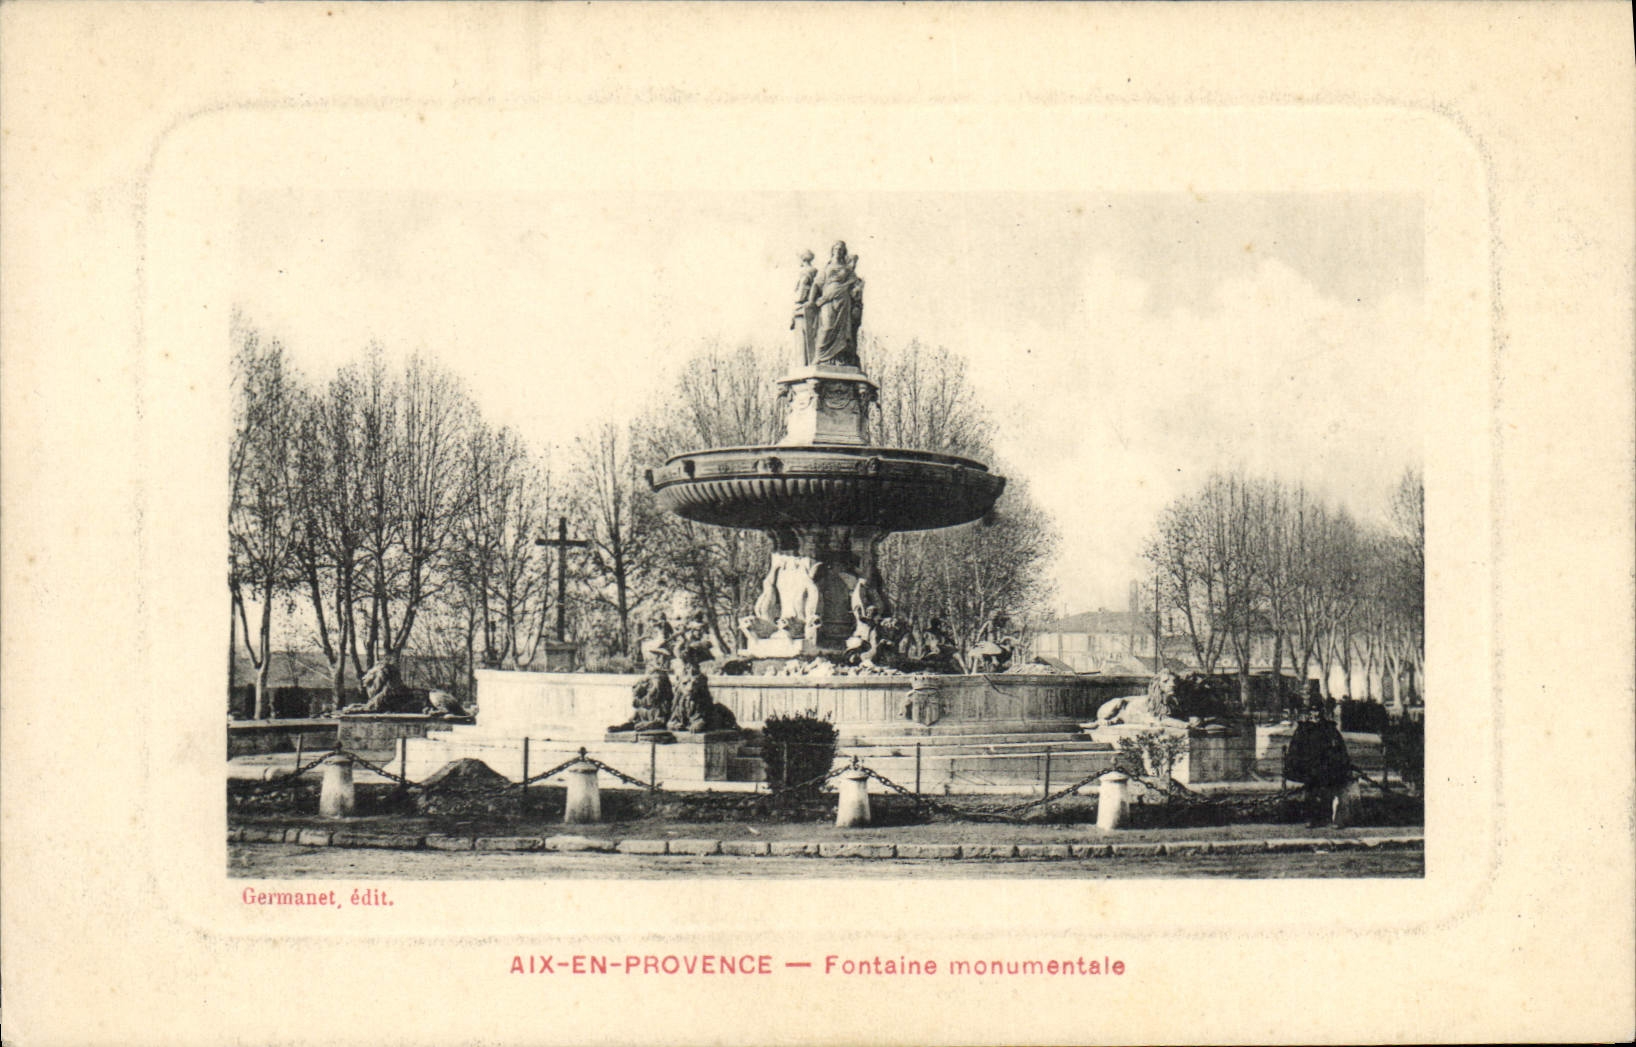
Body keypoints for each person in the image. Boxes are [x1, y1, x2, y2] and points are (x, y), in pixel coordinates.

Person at [1283, 699, 1355, 827]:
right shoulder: (1303, 728)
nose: (1315, 714)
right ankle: (1312, 818)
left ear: (1322, 712)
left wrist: (1341, 762)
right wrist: (1295, 763)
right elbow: (1295, 747)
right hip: (1310, 766)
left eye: (1317, 711)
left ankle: (1326, 818)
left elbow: (1339, 747)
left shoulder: (1329, 728)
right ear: (1309, 712)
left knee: (1327, 793)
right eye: (1313, 711)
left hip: (1325, 767)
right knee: (1310, 793)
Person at [809, 241, 862, 367]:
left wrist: (856, 290)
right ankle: (819, 356)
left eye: (841, 249)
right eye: (836, 248)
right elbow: (816, 284)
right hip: (827, 299)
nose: (838, 251)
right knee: (827, 327)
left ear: (844, 252)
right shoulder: (826, 268)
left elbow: (856, 285)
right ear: (832, 250)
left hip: (843, 301)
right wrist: (811, 301)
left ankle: (838, 359)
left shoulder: (847, 270)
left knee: (841, 332)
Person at [790, 249, 819, 365]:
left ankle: (805, 363)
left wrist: (799, 301)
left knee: (804, 339)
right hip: (806, 307)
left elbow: (803, 288)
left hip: (804, 307)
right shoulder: (812, 271)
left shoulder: (807, 272)